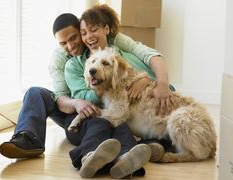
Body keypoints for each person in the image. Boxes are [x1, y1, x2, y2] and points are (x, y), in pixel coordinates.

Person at [64, 4, 176, 178]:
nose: (89, 37)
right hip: (99, 110)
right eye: (84, 33)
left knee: (122, 121)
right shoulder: (76, 64)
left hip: (145, 101)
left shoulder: (123, 51)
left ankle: (128, 157)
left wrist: (150, 80)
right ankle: (95, 157)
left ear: (107, 29)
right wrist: (102, 86)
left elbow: (152, 57)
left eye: (94, 30)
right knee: (106, 122)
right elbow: (81, 96)